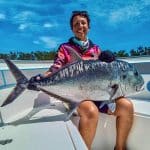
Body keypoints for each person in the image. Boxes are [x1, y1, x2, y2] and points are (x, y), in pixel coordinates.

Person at [33, 11, 134, 150]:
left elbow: (107, 73)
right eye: (76, 24)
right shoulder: (65, 48)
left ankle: (120, 147)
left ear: (89, 26)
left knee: (126, 106)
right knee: (91, 110)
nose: (80, 26)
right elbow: (55, 68)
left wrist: (112, 60)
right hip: (74, 96)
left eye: (83, 23)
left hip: (98, 95)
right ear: (72, 29)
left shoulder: (96, 49)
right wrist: (39, 79)